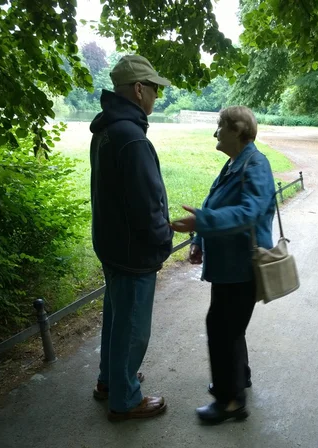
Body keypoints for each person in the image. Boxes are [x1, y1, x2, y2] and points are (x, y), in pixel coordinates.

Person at [171, 106, 276, 424]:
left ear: (238, 130)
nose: (215, 132)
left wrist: (201, 222)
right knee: (230, 327)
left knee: (221, 327)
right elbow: (214, 202)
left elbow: (250, 213)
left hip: (242, 267)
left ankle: (230, 401)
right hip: (228, 266)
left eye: (220, 125)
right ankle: (238, 377)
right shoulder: (234, 163)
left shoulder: (256, 164)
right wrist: (199, 241)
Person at [89, 55, 173, 421]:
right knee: (133, 325)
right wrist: (161, 243)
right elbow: (147, 205)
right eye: (154, 89)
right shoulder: (132, 137)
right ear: (139, 90)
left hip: (111, 244)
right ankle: (125, 398)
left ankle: (110, 380)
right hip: (133, 251)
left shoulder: (106, 130)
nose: (157, 96)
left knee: (117, 317)